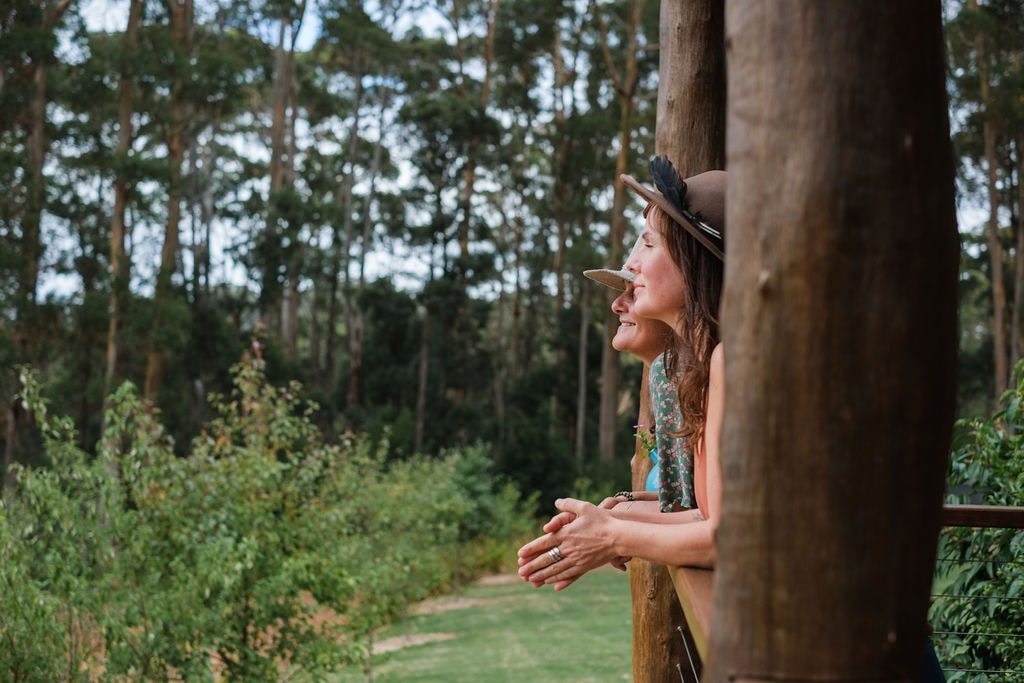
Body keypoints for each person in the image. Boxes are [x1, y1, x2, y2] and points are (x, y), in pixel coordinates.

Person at [518, 158, 726, 590]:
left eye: (648, 245)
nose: (630, 264)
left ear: (693, 261)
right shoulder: (708, 371)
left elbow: (725, 538)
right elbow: (707, 517)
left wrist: (612, 534)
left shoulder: (728, 363)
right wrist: (615, 521)